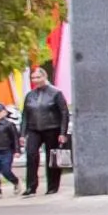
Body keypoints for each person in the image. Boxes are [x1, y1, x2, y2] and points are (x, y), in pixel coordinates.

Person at [20, 68, 69, 196]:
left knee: (51, 157)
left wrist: (63, 132)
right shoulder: (30, 95)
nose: (35, 80)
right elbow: (25, 115)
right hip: (34, 128)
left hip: (52, 128)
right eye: (33, 78)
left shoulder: (55, 93)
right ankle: (31, 186)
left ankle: (52, 186)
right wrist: (22, 133)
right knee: (31, 155)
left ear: (44, 77)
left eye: (37, 77)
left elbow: (64, 113)